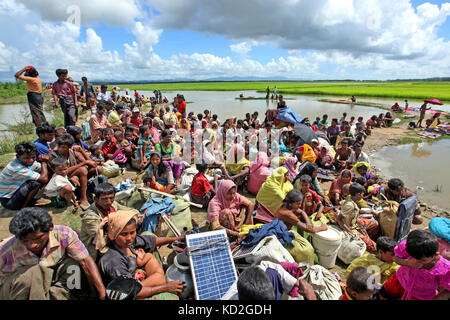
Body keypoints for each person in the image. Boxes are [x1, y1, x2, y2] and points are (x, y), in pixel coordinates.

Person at [0, 207, 106, 300]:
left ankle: (68, 295)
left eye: (38, 238)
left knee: (73, 265)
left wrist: (100, 293)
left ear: (50, 227)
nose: (32, 245)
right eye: (25, 241)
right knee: (34, 273)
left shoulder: (64, 234)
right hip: (20, 289)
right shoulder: (6, 249)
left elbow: (86, 261)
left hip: (51, 276)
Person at [95, 210, 184, 300]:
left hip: (136, 282)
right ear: (114, 234)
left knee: (147, 236)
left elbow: (153, 241)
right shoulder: (113, 261)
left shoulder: (127, 243)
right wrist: (166, 288)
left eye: (132, 232)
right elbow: (128, 293)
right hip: (126, 294)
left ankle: (158, 279)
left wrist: (176, 238)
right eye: (124, 234)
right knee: (171, 297)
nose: (129, 238)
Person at [379, 230, 450, 300]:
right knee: (383, 294)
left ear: (435, 254)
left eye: (422, 260)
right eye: (413, 257)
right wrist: (408, 263)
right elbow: (395, 258)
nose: (417, 262)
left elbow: (448, 290)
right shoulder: (409, 245)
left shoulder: (445, 269)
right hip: (400, 280)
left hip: (420, 295)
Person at [49, 134, 95, 210]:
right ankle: (83, 198)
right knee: (82, 169)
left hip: (70, 176)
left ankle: (85, 193)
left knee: (96, 169)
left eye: (64, 147)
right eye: (59, 146)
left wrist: (81, 150)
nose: (60, 149)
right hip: (60, 180)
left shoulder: (72, 153)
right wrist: (83, 163)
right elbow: (63, 172)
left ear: (70, 147)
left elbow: (91, 163)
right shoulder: (53, 157)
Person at [0, 142, 49, 210]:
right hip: (9, 202)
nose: (31, 160)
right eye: (27, 158)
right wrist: (44, 162)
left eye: (33, 157)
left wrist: (48, 160)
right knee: (35, 183)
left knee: (42, 173)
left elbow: (41, 168)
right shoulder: (16, 168)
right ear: (18, 156)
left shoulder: (27, 162)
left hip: (14, 194)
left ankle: (30, 201)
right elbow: (44, 178)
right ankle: (24, 208)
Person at [336, 183, 380, 251]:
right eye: (362, 194)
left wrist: (371, 212)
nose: (362, 196)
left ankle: (368, 236)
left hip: (355, 223)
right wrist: (349, 231)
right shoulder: (349, 205)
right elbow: (339, 219)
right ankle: (367, 242)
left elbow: (358, 211)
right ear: (358, 194)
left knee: (375, 223)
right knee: (374, 247)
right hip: (350, 227)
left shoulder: (353, 201)